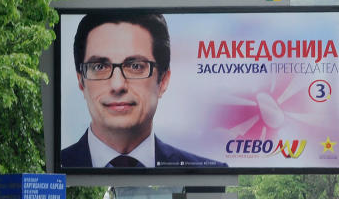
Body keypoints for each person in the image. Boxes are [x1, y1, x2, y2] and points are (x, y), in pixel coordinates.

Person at [60, 12, 227, 169]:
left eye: (135, 66)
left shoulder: (209, 169)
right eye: (100, 66)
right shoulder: (51, 169)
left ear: (163, 81)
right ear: (81, 81)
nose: (118, 85)